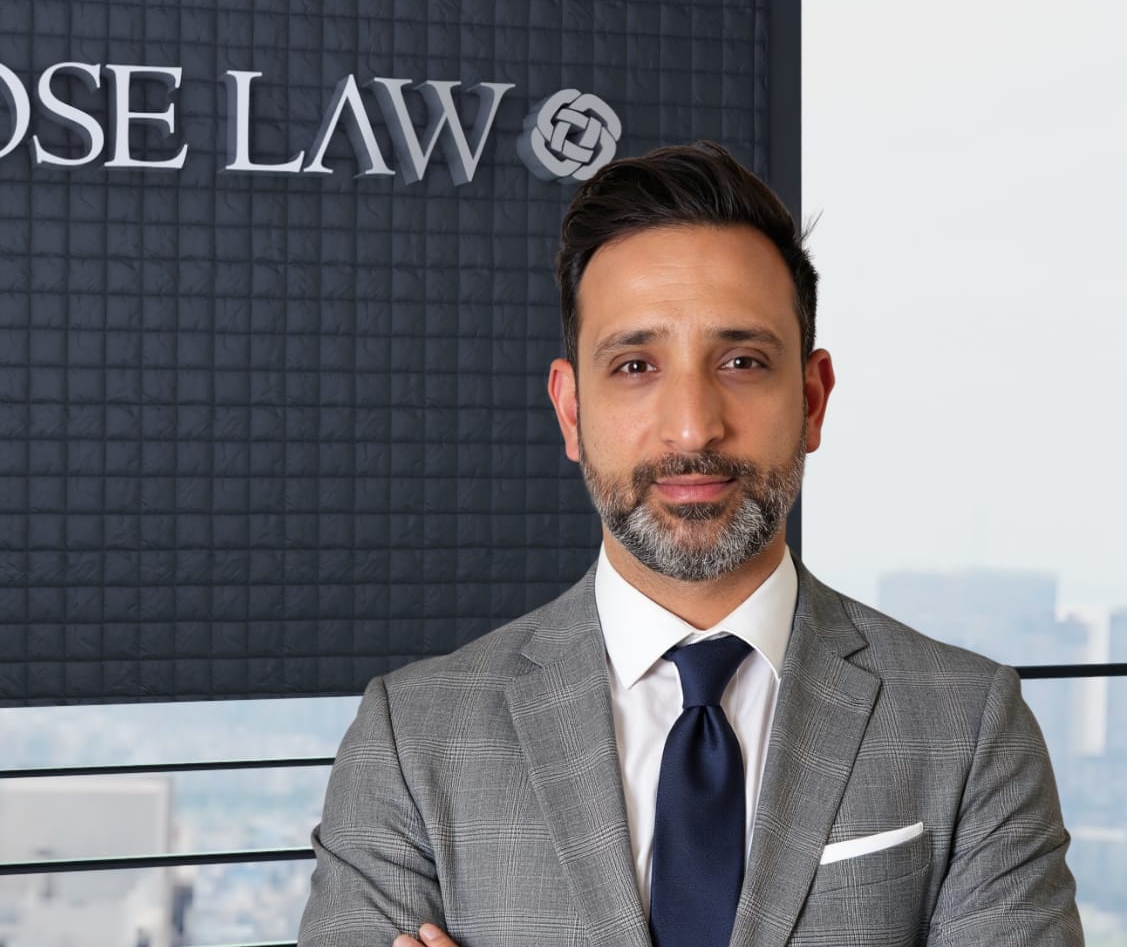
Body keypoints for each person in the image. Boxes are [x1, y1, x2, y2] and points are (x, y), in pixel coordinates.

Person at [298, 141, 1083, 947]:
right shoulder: (412, 737)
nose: (692, 426)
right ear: (572, 411)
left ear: (811, 400)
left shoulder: (969, 724)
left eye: (741, 361)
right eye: (636, 365)